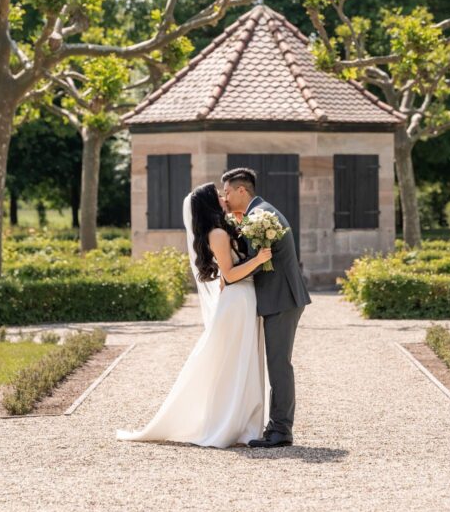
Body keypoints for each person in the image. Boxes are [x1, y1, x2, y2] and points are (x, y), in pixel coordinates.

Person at [116, 183, 272, 448]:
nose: (224, 197)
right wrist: (258, 260)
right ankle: (229, 424)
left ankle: (243, 422)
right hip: (236, 302)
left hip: (242, 300)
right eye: (218, 195)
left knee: (241, 361)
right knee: (234, 362)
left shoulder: (224, 229)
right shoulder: (218, 234)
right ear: (210, 203)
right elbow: (231, 275)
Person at [221, 167, 311, 448]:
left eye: (227, 192)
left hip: (282, 299)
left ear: (241, 191)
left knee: (279, 365)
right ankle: (277, 426)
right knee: (277, 364)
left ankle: (281, 430)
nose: (224, 198)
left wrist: (229, 273)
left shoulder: (261, 217)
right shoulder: (257, 213)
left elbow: (258, 261)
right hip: (279, 298)